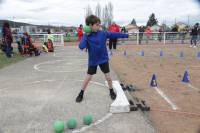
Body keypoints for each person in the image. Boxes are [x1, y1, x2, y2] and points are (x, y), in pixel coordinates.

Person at [76, 15, 129, 103]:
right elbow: (81, 46)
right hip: (93, 61)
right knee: (88, 77)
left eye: (99, 24)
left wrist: (126, 35)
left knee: (108, 77)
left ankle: (111, 90)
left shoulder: (103, 33)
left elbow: (114, 34)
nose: (99, 26)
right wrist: (86, 35)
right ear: (90, 25)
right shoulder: (87, 36)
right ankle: (81, 93)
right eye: (97, 25)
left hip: (103, 59)